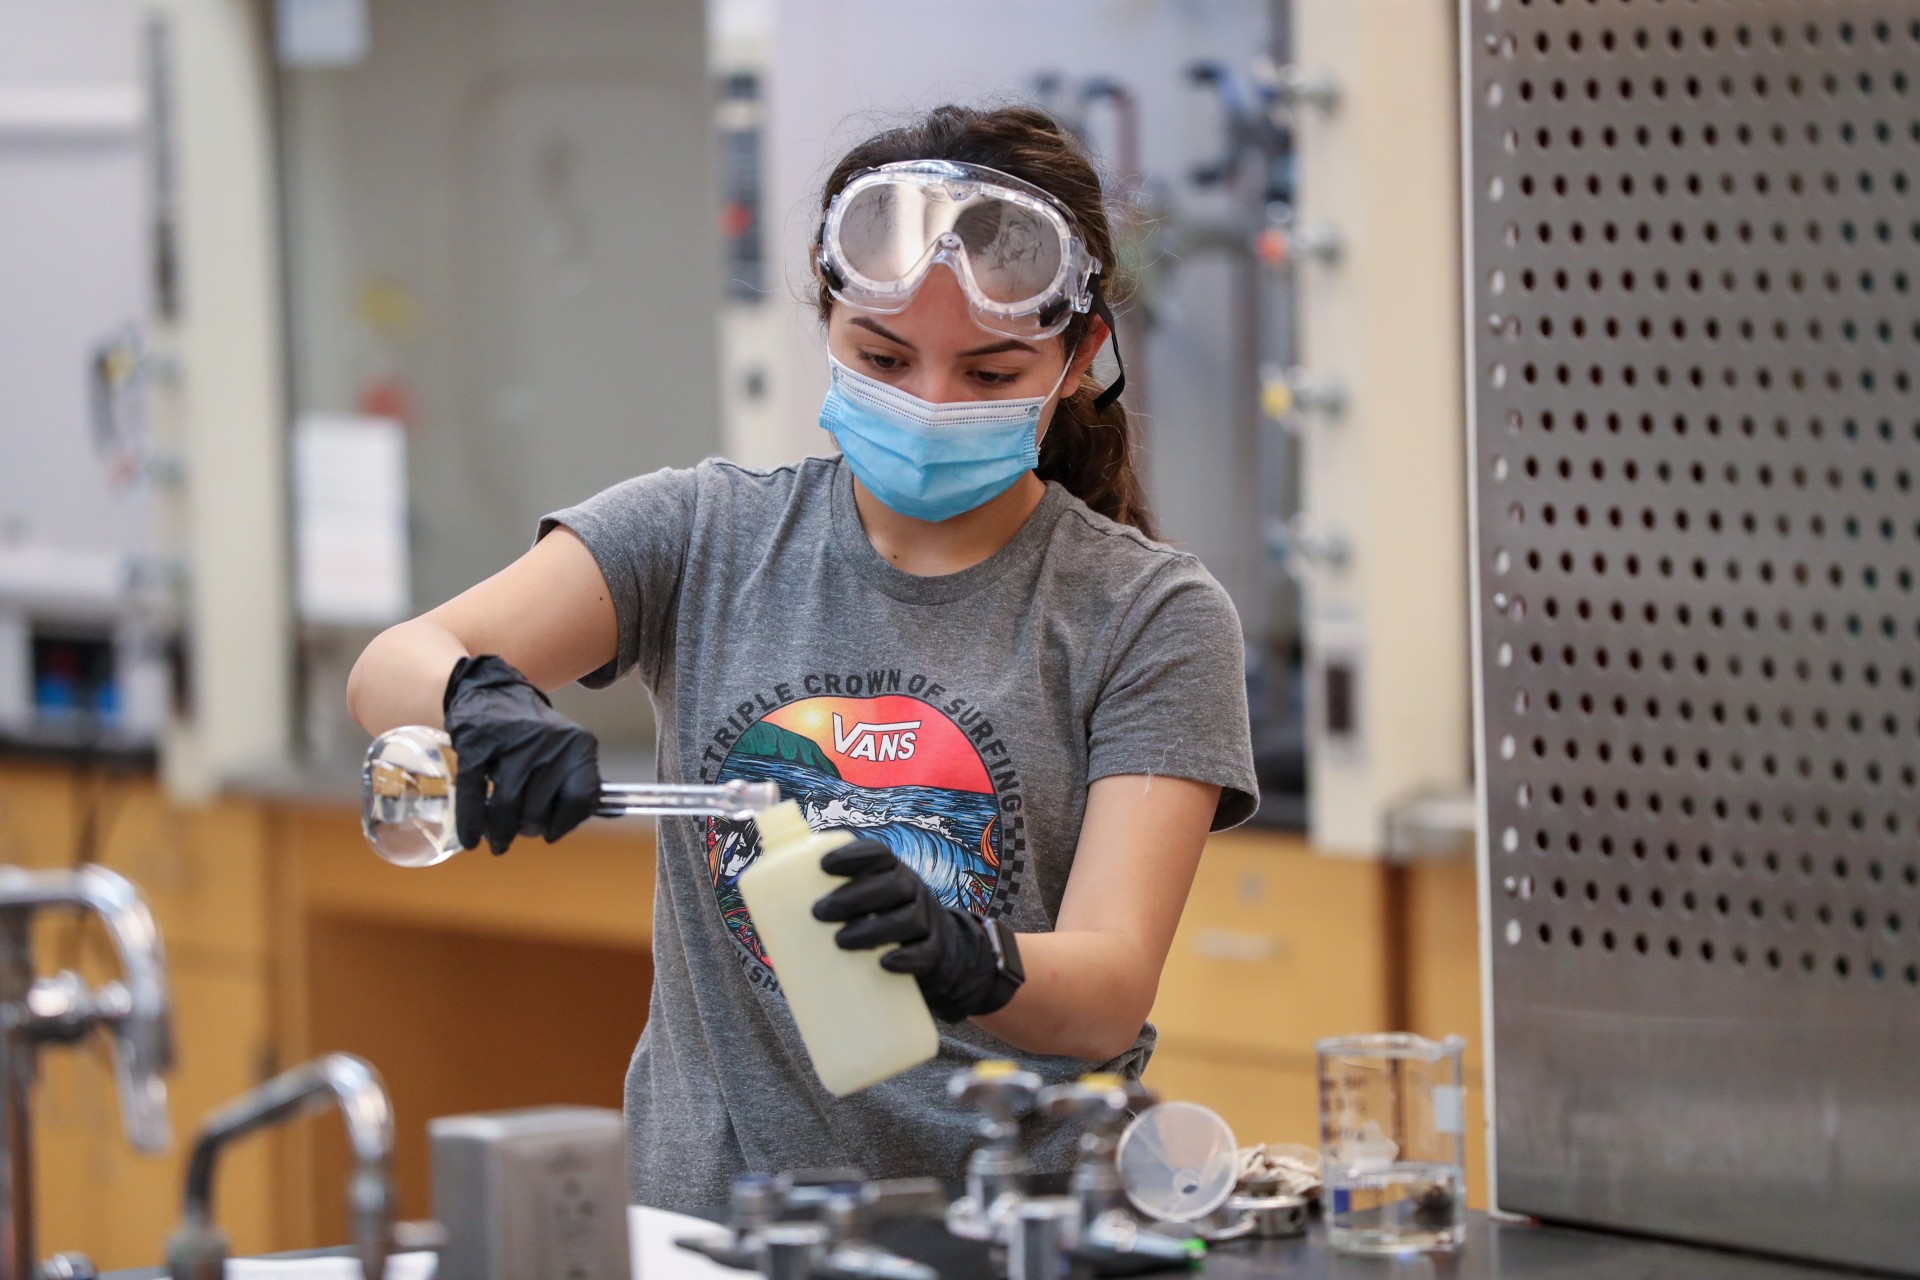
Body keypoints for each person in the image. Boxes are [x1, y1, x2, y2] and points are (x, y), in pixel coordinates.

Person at [347, 103, 1257, 1211]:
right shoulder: (702, 534)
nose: (927, 402)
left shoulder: (1149, 612)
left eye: (986, 372)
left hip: (1005, 1227)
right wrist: (479, 701)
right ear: (825, 322)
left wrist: (966, 953)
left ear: (1079, 360)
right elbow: (394, 664)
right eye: (883, 355)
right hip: (716, 1226)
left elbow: (1108, 988)